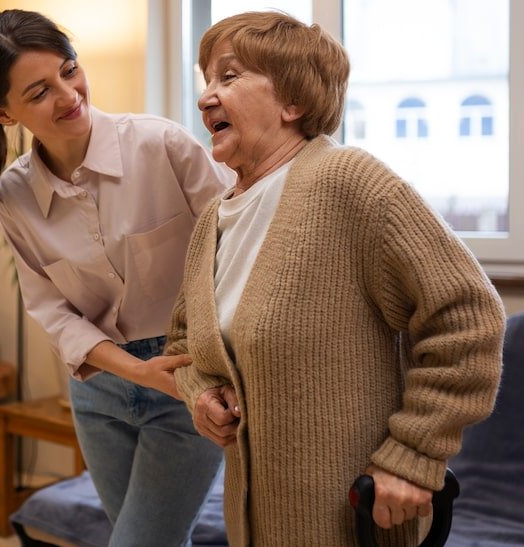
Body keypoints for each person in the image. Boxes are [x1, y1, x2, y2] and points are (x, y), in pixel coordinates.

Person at [165, 10, 506, 546]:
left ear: (292, 101)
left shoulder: (349, 182)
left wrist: (414, 453)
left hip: (356, 523)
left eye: (228, 77)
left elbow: (467, 316)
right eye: (206, 80)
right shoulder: (214, 218)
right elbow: (184, 342)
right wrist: (202, 395)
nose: (206, 96)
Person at [0, 9, 233, 547]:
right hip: (98, 393)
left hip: (183, 375)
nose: (68, 95)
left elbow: (240, 246)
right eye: (39, 92)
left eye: (69, 70)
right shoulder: (14, 196)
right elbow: (51, 309)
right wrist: (135, 370)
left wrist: (195, 364)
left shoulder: (161, 145)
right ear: (1, 112)